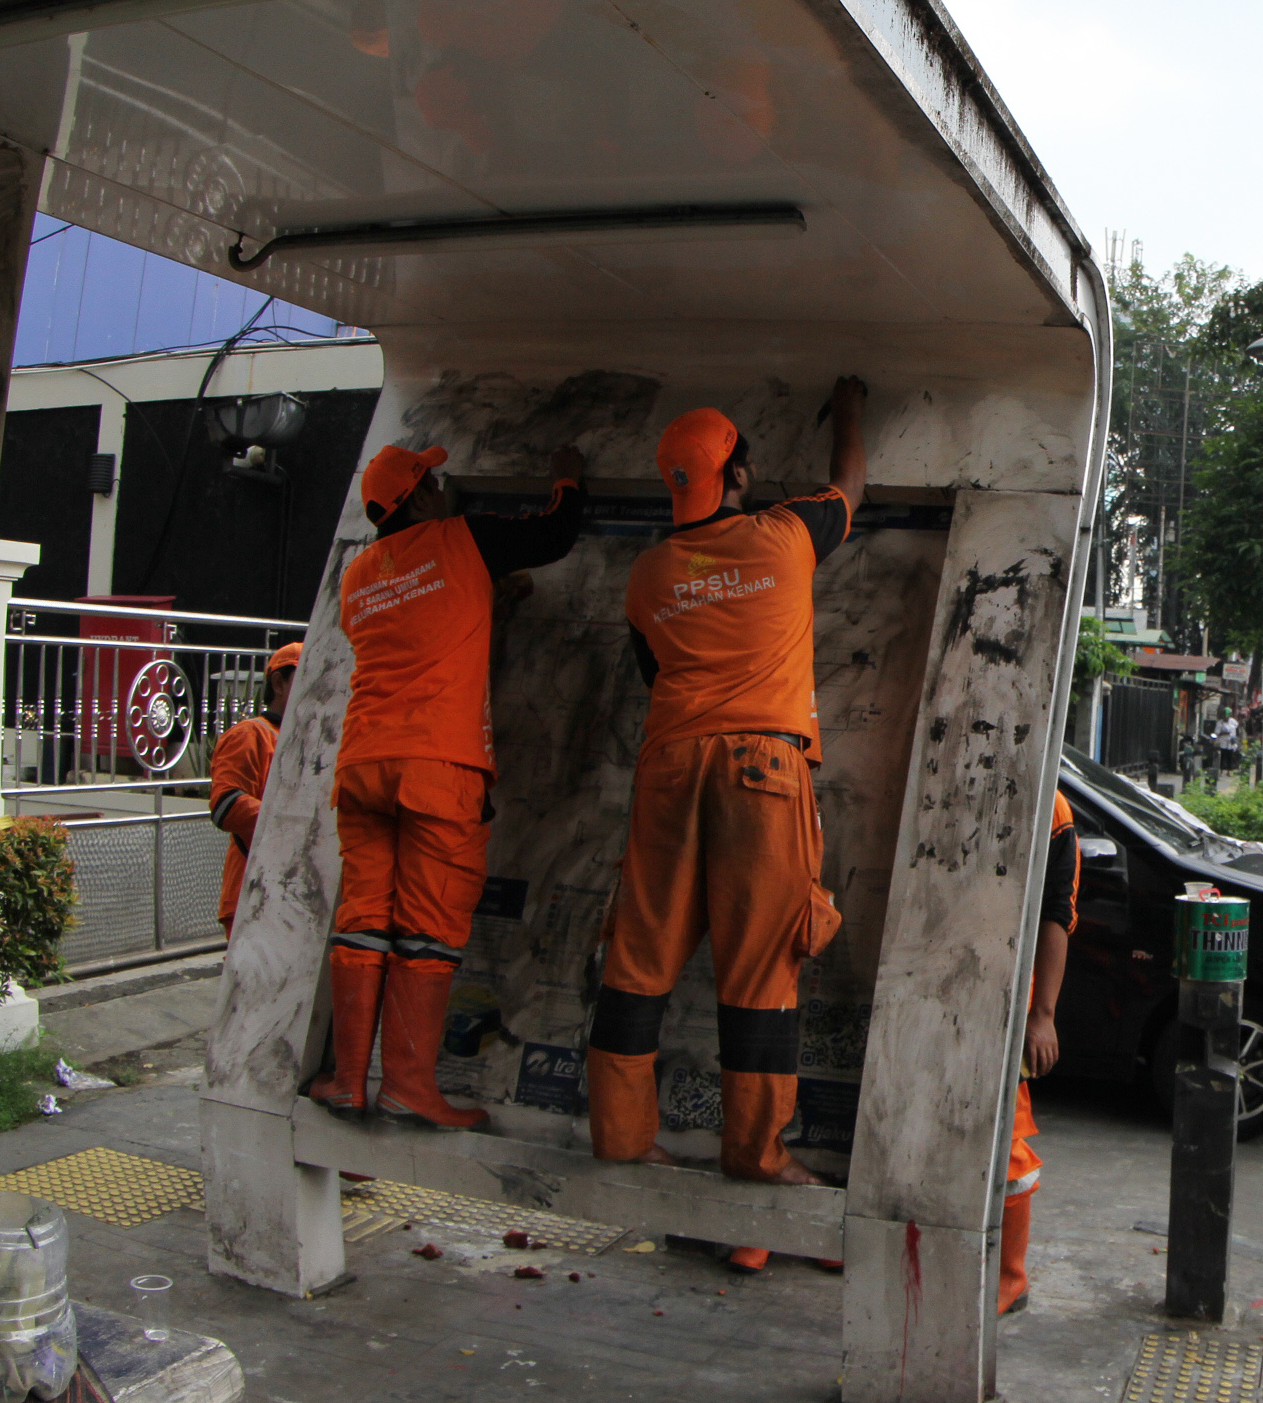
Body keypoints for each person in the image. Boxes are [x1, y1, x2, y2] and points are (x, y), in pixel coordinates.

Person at [585, 379, 865, 1256]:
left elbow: (654, 668)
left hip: (670, 761)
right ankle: (755, 1155)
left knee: (637, 958)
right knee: (760, 971)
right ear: (739, 471)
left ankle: (622, 1138)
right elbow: (853, 486)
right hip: (761, 769)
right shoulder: (785, 535)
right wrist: (849, 403)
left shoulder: (647, 574)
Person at [311, 441, 586, 1127]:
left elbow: (421, 621)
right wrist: (568, 478)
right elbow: (554, 534)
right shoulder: (460, 538)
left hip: (364, 760)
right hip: (438, 763)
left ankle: (348, 1080)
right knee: (428, 932)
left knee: (365, 920)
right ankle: (407, 1086)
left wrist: (492, 597)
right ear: (424, 496)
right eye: (434, 483)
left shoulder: (358, 574)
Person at [1002, 790, 1078, 1315]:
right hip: (930, 973)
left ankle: (1010, 1277)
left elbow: (1057, 914)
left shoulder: (1050, 808)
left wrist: (1043, 1015)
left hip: (1004, 994)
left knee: (1007, 1141)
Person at [210, 641, 301, 936]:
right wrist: (297, 825)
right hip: (252, 894)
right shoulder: (252, 734)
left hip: (289, 893)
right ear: (278, 683)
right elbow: (226, 806)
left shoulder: (305, 740)